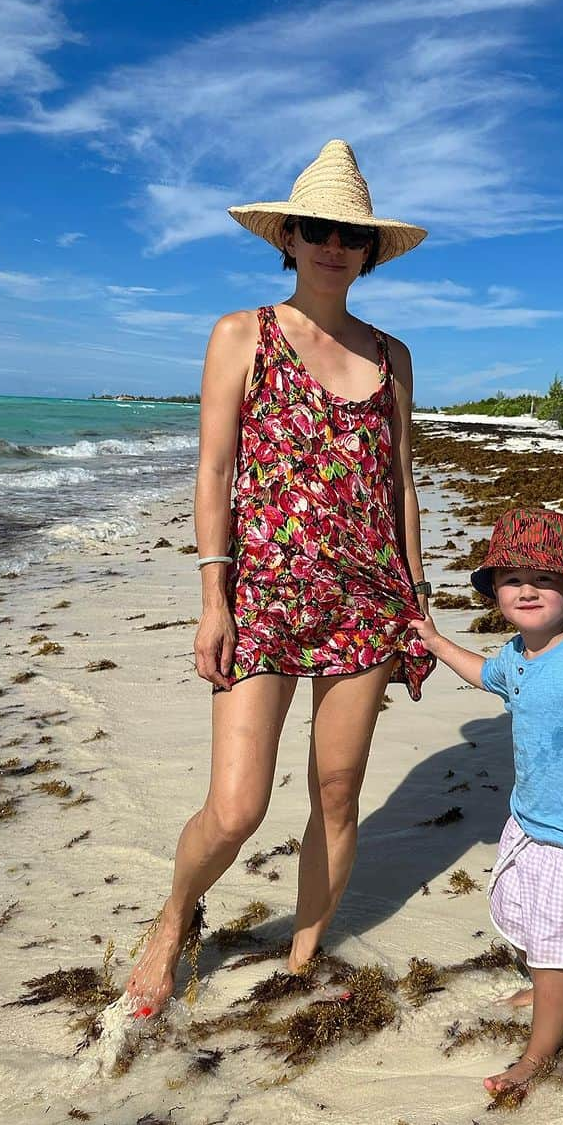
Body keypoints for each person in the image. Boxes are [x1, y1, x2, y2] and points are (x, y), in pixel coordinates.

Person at [126, 140, 435, 1018]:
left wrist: (416, 597)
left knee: (338, 793)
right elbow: (214, 472)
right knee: (236, 808)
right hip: (262, 597)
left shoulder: (393, 355)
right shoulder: (241, 333)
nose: (333, 243)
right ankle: (174, 918)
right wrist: (212, 599)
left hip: (367, 600)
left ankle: (303, 955)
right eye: (316, 228)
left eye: (350, 233)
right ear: (288, 239)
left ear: (369, 250)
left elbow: (400, 480)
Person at [409, 506, 563, 1095]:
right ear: (495, 590)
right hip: (528, 818)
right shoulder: (520, 656)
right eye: (513, 578)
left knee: (549, 947)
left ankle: (537, 1056)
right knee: (522, 916)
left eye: (545, 579)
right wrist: (438, 643)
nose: (527, 589)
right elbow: (487, 675)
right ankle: (547, 986)